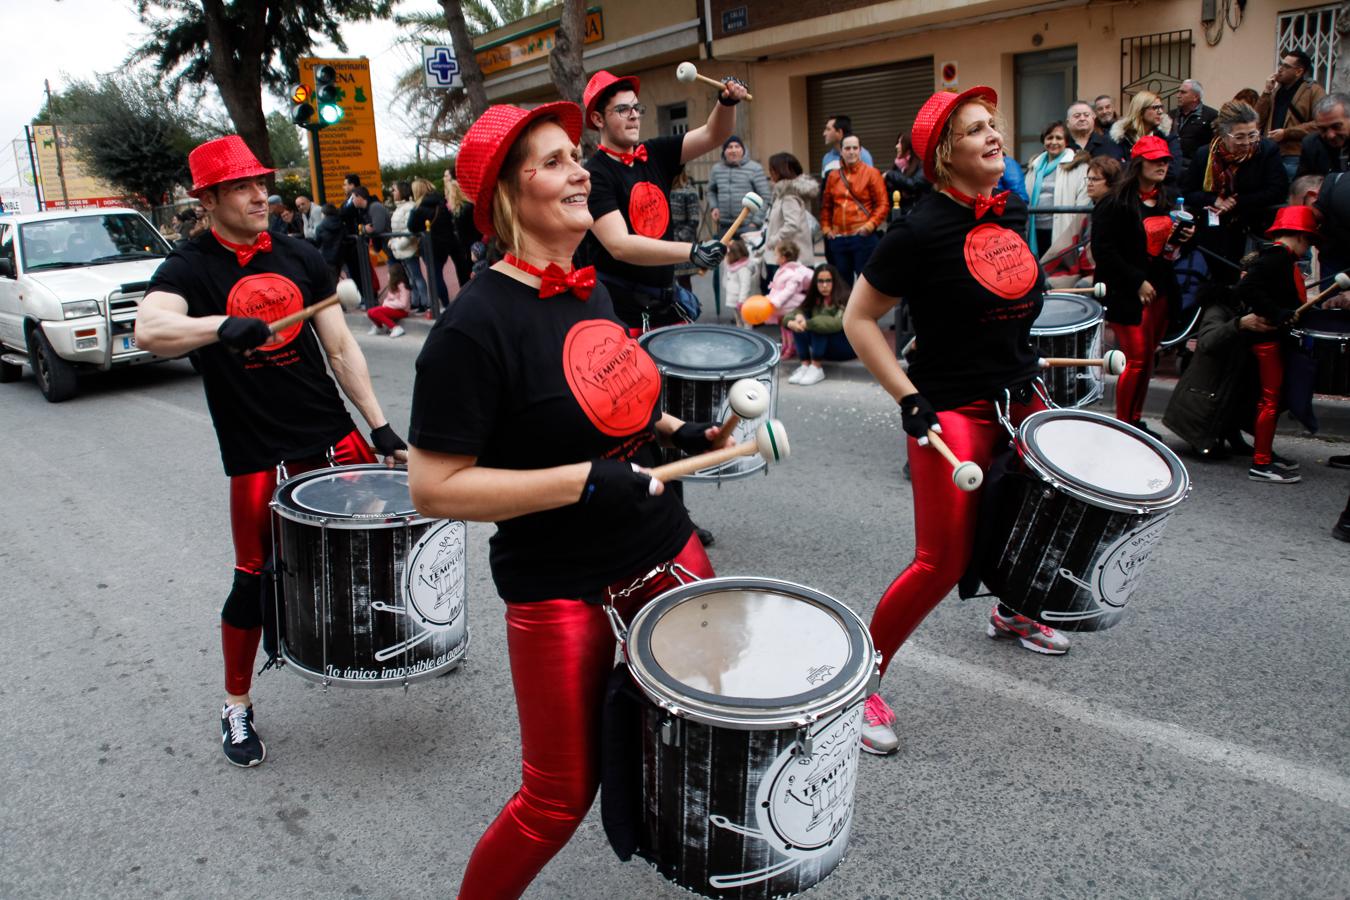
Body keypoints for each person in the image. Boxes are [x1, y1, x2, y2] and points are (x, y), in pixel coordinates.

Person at [405, 101, 726, 900]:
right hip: (561, 583)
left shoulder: (590, 291)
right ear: (509, 195)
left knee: (709, 728)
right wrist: (580, 480)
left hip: (664, 541)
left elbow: (607, 398)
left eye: (575, 156)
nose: (580, 172)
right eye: (553, 162)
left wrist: (677, 428)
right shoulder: (470, 330)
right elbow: (434, 486)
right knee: (556, 801)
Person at [133, 135, 408, 769]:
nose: (260, 196)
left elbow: (340, 348)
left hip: (329, 429)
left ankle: (399, 643)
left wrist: (379, 426)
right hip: (256, 448)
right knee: (252, 579)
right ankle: (236, 704)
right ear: (208, 200)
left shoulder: (298, 254)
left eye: (262, 183)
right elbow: (150, 328)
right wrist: (216, 326)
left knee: (380, 545)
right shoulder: (189, 268)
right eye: (242, 187)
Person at [842, 86, 1071, 757]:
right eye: (975, 129)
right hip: (951, 410)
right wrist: (908, 397)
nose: (994, 135)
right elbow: (860, 319)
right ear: (944, 154)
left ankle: (1015, 611)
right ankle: (859, 686)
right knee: (940, 561)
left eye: (993, 124)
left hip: (1019, 395)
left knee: (1037, 521)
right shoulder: (915, 232)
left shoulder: (1011, 208)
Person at [580, 68, 747, 333]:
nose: (634, 115)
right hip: (620, 313)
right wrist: (692, 251)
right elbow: (619, 245)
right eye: (622, 109)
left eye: (636, 108)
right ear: (598, 119)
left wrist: (726, 102)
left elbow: (714, 134)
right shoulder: (594, 175)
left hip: (665, 303)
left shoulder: (654, 152)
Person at [1093, 135, 1196, 431]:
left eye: (1165, 160)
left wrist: (1186, 237)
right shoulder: (1115, 202)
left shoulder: (1169, 199)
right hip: (1126, 293)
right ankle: (1124, 426)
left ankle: (1135, 421)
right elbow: (1104, 251)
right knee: (1136, 359)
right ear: (1139, 164)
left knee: (1147, 359)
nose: (1162, 165)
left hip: (1161, 290)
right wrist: (1137, 281)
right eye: (1155, 160)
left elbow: (1173, 249)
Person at [1230, 205, 1320, 483]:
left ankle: (1264, 453)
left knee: (1272, 399)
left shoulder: (1278, 257)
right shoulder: (1277, 258)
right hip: (1266, 340)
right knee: (1270, 400)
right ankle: (1261, 462)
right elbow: (1246, 288)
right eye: (1309, 240)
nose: (1308, 247)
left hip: (1270, 338)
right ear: (1300, 236)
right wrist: (1276, 312)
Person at [1183, 101, 1288, 282]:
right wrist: (1214, 200)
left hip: (1254, 227)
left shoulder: (1266, 150)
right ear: (1224, 134)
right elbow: (1188, 192)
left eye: (1252, 135)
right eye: (1239, 137)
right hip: (1215, 232)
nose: (1247, 143)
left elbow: (1278, 190)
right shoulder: (1204, 155)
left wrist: (1237, 202)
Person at [819, 134, 888, 285]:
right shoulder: (833, 176)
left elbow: (882, 204)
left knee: (866, 284)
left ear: (860, 150)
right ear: (841, 151)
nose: (851, 152)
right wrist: (826, 228)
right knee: (841, 286)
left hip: (863, 237)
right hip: (838, 238)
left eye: (855, 148)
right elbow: (826, 206)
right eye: (847, 148)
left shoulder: (872, 173)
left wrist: (869, 226)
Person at [1042, 155, 1120, 287]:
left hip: (1107, 273)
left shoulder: (1118, 210)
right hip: (1080, 270)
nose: (1089, 183)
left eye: (1095, 179)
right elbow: (1063, 247)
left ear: (1111, 182)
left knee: (1083, 285)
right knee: (1046, 283)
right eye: (1088, 179)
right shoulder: (1087, 211)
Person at [1256, 49, 1327, 179]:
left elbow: (1321, 123)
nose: (1280, 69)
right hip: (1269, 153)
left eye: (1286, 66)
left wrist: (1286, 133)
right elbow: (1257, 120)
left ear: (1298, 71)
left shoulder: (1313, 91)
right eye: (1280, 64)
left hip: (1294, 155)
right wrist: (1266, 91)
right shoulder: (1275, 91)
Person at [1023, 121, 1089, 257]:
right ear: (1044, 141)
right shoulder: (1034, 166)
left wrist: (1076, 230)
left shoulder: (1078, 166)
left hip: (1063, 230)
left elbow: (1083, 202)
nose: (1053, 142)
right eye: (1049, 138)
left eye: (1058, 138)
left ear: (1066, 142)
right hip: (1035, 229)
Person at [786, 263, 854, 385]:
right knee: (799, 323)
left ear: (835, 281)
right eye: (820, 281)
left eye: (828, 281)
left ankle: (816, 367)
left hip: (845, 348)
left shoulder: (845, 297)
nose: (824, 285)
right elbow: (797, 311)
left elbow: (837, 323)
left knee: (819, 324)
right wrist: (793, 320)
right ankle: (805, 365)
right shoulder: (815, 297)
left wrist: (808, 324)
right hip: (825, 348)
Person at [408, 176, 459, 312]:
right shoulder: (441, 202)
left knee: (435, 276)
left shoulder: (418, 208)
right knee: (437, 274)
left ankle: (445, 305)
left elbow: (411, 227)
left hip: (429, 246)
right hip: (445, 244)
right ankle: (443, 304)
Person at [762, 151, 818, 270]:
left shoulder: (789, 196)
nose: (770, 173)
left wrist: (773, 241)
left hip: (790, 260)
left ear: (780, 171)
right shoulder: (782, 194)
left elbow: (792, 225)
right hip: (787, 258)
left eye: (772, 169)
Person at [706, 135, 771, 236]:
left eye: (737, 146)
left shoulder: (755, 168)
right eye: (730, 147)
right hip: (724, 226)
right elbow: (711, 191)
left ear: (743, 150)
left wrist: (755, 222)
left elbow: (765, 197)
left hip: (748, 226)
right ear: (724, 151)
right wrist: (714, 207)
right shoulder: (716, 169)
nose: (733, 150)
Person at [386, 180, 431, 312]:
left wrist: (397, 244)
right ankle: (416, 301)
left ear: (402, 192)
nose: (393, 193)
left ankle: (425, 302)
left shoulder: (409, 207)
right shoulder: (399, 208)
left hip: (408, 248)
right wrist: (393, 243)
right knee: (410, 277)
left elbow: (409, 231)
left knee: (416, 276)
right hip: (400, 249)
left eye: (395, 190)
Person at [1111, 91, 1183, 172]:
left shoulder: (1167, 136)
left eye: (1161, 107)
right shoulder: (1121, 136)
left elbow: (1174, 170)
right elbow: (1116, 168)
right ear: (1140, 111)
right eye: (1155, 107)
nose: (1160, 112)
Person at [1170, 79, 1219, 182]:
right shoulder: (1171, 115)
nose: (1178, 95)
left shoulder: (1211, 116)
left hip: (1197, 170)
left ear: (1195, 97)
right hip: (1173, 167)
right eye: (1178, 92)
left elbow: (1215, 144)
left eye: (1183, 92)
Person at [1297, 93, 1350, 177]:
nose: (1330, 135)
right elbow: (1302, 180)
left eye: (1336, 126)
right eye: (1323, 129)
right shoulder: (1311, 144)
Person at [667, 166, 702, 291]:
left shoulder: (689, 191)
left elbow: (694, 220)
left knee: (684, 282)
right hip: (665, 241)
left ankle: (687, 304)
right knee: (667, 282)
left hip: (682, 242)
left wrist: (680, 236)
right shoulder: (662, 189)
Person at [884, 132, 931, 216]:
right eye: (897, 143)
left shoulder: (922, 166)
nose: (896, 146)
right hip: (898, 216)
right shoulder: (897, 167)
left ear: (909, 147)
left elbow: (913, 184)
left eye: (900, 143)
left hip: (917, 215)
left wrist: (890, 174)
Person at [444, 170, 475, 288]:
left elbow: (461, 232)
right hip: (470, 244)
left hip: (463, 247)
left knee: (463, 272)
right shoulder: (468, 206)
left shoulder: (458, 211)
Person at [366, 260, 411, 338]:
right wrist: (386, 303)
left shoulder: (403, 285)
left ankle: (395, 327)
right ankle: (380, 327)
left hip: (402, 311)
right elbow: (388, 298)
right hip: (392, 308)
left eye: (389, 273)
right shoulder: (393, 285)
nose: (388, 275)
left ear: (395, 275)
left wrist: (388, 304)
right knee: (370, 312)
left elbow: (403, 304)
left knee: (376, 312)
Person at [723, 238, 757, 325]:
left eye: (728, 255)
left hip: (741, 301)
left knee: (746, 320)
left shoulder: (743, 269)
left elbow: (745, 285)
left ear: (734, 255)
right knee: (738, 320)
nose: (726, 257)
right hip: (735, 299)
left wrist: (742, 301)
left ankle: (747, 332)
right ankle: (739, 329)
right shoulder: (733, 266)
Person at [353, 186, 391, 253]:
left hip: (391, 244)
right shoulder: (362, 211)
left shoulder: (375, 207)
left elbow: (376, 228)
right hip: (387, 245)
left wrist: (364, 229)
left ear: (359, 197)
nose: (352, 201)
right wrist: (364, 228)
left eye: (353, 198)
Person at [315, 203, 344, 277]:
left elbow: (317, 243)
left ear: (324, 214)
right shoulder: (341, 223)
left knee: (331, 279)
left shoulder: (320, 227)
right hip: (340, 256)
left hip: (327, 258)